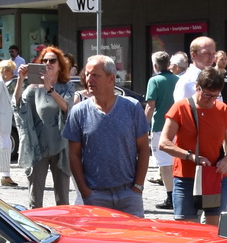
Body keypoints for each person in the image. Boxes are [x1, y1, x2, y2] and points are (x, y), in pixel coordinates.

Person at [64, 55, 151, 217]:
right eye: (87, 74)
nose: (89, 79)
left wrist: (137, 187)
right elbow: (73, 155)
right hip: (94, 196)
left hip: (128, 195)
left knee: (133, 241)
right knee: (97, 242)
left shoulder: (132, 108)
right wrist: (85, 191)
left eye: (95, 75)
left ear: (111, 79)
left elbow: (144, 149)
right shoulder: (78, 112)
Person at [159, 67, 227, 223]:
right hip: (186, 177)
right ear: (197, 87)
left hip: (213, 177)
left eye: (215, 96)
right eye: (207, 94)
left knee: (213, 232)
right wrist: (191, 157)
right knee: (188, 231)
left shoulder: (222, 110)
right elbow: (164, 143)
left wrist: (226, 161)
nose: (210, 100)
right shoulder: (181, 108)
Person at [15, 46, 74, 207]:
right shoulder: (34, 87)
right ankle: (35, 228)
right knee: (35, 199)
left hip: (60, 146)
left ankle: (63, 228)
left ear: (60, 65)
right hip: (37, 147)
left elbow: (67, 108)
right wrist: (21, 79)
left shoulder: (66, 86)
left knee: (62, 199)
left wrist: (50, 90)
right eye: (44, 61)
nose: (48, 63)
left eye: (52, 61)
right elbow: (18, 104)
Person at [145, 51, 179, 199]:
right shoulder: (178, 79)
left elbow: (150, 106)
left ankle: (170, 197)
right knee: (177, 161)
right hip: (178, 126)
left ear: (155, 65)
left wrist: (143, 126)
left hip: (160, 125)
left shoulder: (154, 81)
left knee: (165, 164)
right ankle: (179, 193)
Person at [173, 37, 217, 102]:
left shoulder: (214, 77)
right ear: (193, 55)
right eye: (206, 53)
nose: (212, 57)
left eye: (213, 53)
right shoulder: (186, 82)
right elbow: (182, 110)